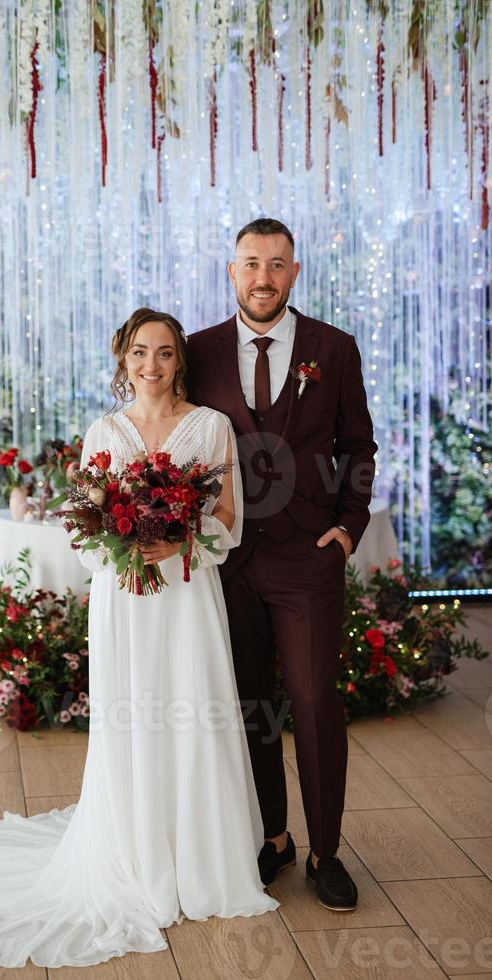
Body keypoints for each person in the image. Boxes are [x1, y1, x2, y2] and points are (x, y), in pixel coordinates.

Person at [0, 306, 278, 970]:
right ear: (123, 359)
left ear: (181, 361)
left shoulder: (210, 427)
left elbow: (229, 520)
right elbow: (84, 526)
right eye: (141, 353)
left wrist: (179, 539)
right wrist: (124, 545)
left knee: (192, 714)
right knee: (134, 722)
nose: (152, 365)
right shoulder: (105, 431)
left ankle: (204, 862)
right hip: (127, 601)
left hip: (187, 594)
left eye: (166, 353)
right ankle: (134, 855)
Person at [186, 218, 377, 912]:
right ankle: (273, 839)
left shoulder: (334, 348)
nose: (262, 277)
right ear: (230, 271)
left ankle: (326, 851)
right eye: (249, 264)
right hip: (228, 561)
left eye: (276, 265)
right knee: (252, 707)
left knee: (316, 701)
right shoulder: (198, 351)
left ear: (294, 272)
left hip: (307, 558)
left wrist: (349, 529)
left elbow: (359, 446)